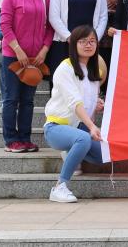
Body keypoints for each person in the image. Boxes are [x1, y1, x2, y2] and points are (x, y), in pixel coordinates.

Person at [43, 25, 107, 203]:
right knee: (83, 138)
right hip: (56, 127)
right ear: (74, 44)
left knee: (104, 154)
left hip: (79, 127)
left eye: (92, 41)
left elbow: (85, 103)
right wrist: (92, 127)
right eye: (83, 41)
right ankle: (59, 187)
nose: (88, 45)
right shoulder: (65, 68)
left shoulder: (94, 73)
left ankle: (71, 149)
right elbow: (75, 102)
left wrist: (96, 104)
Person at [0, 0, 53, 153]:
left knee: (28, 101)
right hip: (12, 56)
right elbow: (5, 26)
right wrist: (18, 50)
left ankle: (25, 139)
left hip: (35, 58)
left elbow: (50, 28)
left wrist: (44, 50)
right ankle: (11, 140)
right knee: (11, 98)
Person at [47, 0, 107, 80]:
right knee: (62, 82)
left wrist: (94, 39)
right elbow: (54, 17)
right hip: (64, 43)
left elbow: (103, 16)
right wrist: (70, 38)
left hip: (89, 45)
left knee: (88, 82)